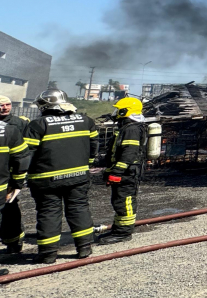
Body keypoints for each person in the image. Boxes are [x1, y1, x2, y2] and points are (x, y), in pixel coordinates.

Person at [19, 90, 99, 264]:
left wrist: (20, 176)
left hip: (46, 180)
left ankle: (48, 254)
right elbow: (94, 148)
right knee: (79, 209)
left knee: (49, 213)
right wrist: (87, 164)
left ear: (46, 106)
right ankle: (84, 247)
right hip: (79, 176)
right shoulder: (86, 121)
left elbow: (27, 154)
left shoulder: (38, 125)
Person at [98, 97, 147, 245]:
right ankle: (118, 229)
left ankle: (124, 233)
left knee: (125, 202)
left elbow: (129, 153)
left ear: (126, 111)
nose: (116, 112)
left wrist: (117, 172)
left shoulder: (131, 129)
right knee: (119, 201)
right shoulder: (129, 127)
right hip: (126, 171)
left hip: (127, 173)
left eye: (118, 110)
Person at [0, 95, 30, 256]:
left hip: (11, 173)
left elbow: (25, 151)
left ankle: (14, 242)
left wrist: (18, 179)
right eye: (1, 105)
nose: (4, 108)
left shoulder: (19, 123)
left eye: (7, 105)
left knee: (10, 208)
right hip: (3, 172)